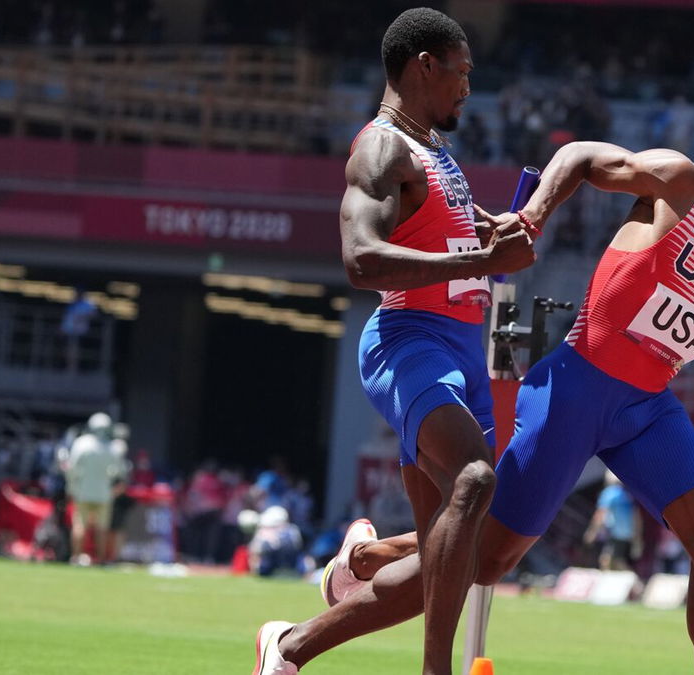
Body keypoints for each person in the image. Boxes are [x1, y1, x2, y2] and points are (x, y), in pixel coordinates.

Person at [256, 139, 694, 675]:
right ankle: (290, 644)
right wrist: (531, 217)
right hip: (575, 389)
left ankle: (367, 558)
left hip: (647, 407)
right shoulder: (685, 186)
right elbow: (581, 156)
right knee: (480, 558)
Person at [253, 8, 535, 675]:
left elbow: (439, 235)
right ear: (425, 67)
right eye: (461, 73)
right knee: (473, 478)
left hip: (464, 345)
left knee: (445, 562)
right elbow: (361, 259)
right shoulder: (383, 149)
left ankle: (290, 646)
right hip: (410, 337)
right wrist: (475, 264)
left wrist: (485, 239)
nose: (469, 88)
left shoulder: (438, 153)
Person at [63, 412, 122, 565]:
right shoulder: (113, 447)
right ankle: (100, 559)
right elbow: (119, 472)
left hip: (83, 491)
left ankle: (76, 557)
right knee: (102, 527)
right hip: (104, 493)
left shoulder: (82, 443)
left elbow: (72, 468)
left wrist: (71, 487)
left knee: (80, 524)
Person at [583, 471, 639, 571]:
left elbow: (601, 513)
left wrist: (592, 531)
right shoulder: (626, 495)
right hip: (626, 533)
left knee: (608, 561)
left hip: (615, 532)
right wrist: (636, 538)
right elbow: (636, 517)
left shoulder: (609, 493)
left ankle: (636, 582)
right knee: (615, 561)